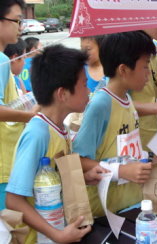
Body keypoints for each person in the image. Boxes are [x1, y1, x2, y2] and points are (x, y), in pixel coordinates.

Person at [6, 44, 107, 243]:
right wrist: (58, 235)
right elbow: (14, 199)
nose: (88, 92)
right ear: (62, 94)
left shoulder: (59, 128)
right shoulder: (38, 133)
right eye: (84, 85)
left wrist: (84, 177)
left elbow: (48, 180)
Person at [73, 31, 155, 215]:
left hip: (129, 204)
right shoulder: (101, 105)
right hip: (104, 212)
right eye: (145, 66)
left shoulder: (126, 98)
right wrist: (120, 171)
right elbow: (77, 160)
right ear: (124, 70)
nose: (148, 73)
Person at [0, 0, 35, 211]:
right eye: (17, 20)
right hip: (4, 161)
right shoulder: (1, 61)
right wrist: (34, 116)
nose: (20, 28)